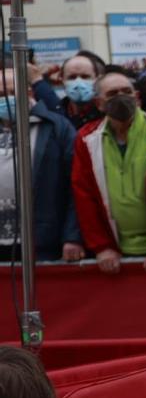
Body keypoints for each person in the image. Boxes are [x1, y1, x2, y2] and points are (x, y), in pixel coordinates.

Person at [71, 72, 146, 275]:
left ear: (137, 97)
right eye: (112, 93)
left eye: (126, 91)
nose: (121, 97)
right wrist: (102, 247)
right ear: (99, 103)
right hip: (112, 251)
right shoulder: (86, 139)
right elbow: (84, 196)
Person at [0, 68, 84, 265]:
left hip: (42, 242)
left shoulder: (57, 127)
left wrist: (72, 236)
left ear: (29, 93)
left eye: (13, 93)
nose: (7, 99)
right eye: (1, 95)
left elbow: (77, 184)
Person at [56, 54, 101, 132]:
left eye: (85, 77)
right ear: (62, 80)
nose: (79, 83)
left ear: (97, 79)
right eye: (72, 77)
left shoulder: (106, 114)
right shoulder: (54, 113)